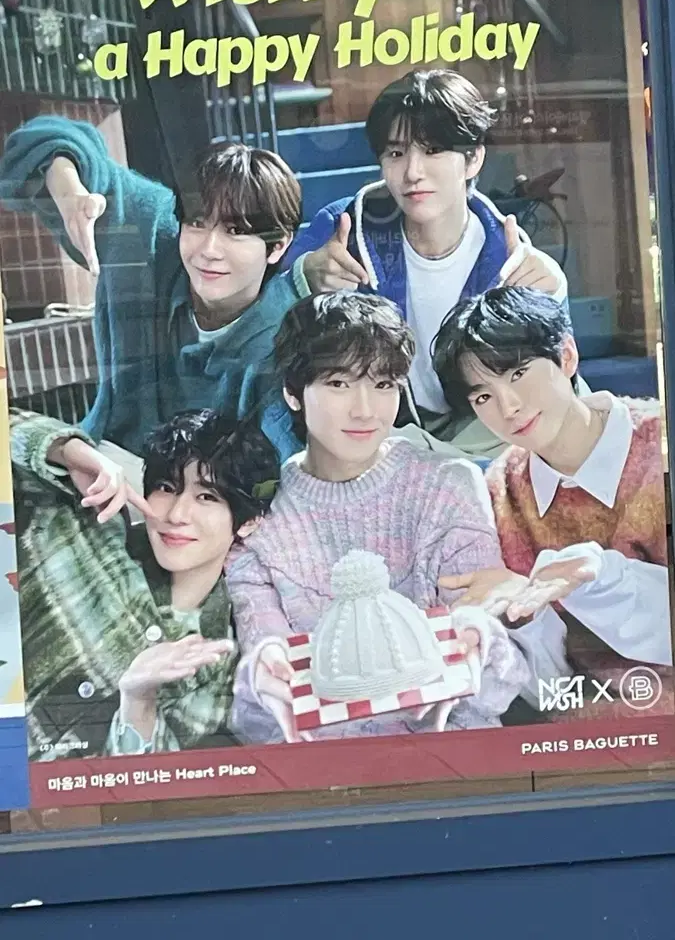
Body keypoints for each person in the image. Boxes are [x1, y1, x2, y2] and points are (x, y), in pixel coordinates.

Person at [226, 291, 553, 746]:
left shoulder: (446, 486)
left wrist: (478, 637)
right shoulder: (258, 520)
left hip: (455, 756)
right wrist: (264, 673)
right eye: (338, 383)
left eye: (383, 384)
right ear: (292, 393)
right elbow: (265, 685)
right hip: (326, 770)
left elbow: (495, 670)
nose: (365, 410)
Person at [286, 69, 568, 461]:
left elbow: (557, 379)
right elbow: (274, 344)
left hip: (486, 432)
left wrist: (555, 295)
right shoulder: (345, 228)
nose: (412, 172)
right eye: (396, 153)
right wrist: (302, 278)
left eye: (433, 150)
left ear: (473, 159)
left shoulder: (509, 252)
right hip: (379, 432)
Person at [0, 116, 311, 461]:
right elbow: (37, 141)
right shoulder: (152, 232)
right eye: (196, 222)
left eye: (235, 231)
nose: (209, 249)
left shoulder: (287, 344)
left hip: (209, 488)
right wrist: (69, 193)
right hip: (102, 455)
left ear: (278, 246)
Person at [12, 406, 279, 760]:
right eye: (167, 488)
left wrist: (138, 701)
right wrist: (71, 451)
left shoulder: (220, 665)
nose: (176, 515)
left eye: (207, 497)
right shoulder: (83, 524)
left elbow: (150, 781)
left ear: (249, 521)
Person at [431, 286, 671, 678]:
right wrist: (523, 614)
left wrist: (602, 579)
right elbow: (545, 676)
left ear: (567, 356)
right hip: (577, 708)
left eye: (518, 373)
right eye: (483, 397)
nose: (509, 407)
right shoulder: (498, 494)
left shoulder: (661, 446)